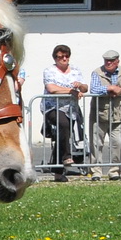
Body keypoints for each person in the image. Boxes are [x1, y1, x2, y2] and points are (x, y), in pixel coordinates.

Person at [40, 44, 88, 181]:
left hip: (70, 109)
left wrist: (80, 86)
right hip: (52, 107)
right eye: (61, 57)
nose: (64, 59)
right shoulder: (49, 71)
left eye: (66, 56)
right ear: (55, 58)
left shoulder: (75, 70)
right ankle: (67, 156)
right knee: (64, 125)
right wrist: (71, 91)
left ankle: (58, 173)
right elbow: (51, 88)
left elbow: (85, 88)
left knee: (62, 136)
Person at [87, 50, 121, 179]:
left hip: (117, 114)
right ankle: (96, 172)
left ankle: (114, 171)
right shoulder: (97, 72)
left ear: (117, 61)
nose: (108, 63)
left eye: (112, 61)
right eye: (106, 60)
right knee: (96, 144)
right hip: (99, 114)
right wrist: (109, 88)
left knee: (117, 143)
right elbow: (94, 89)